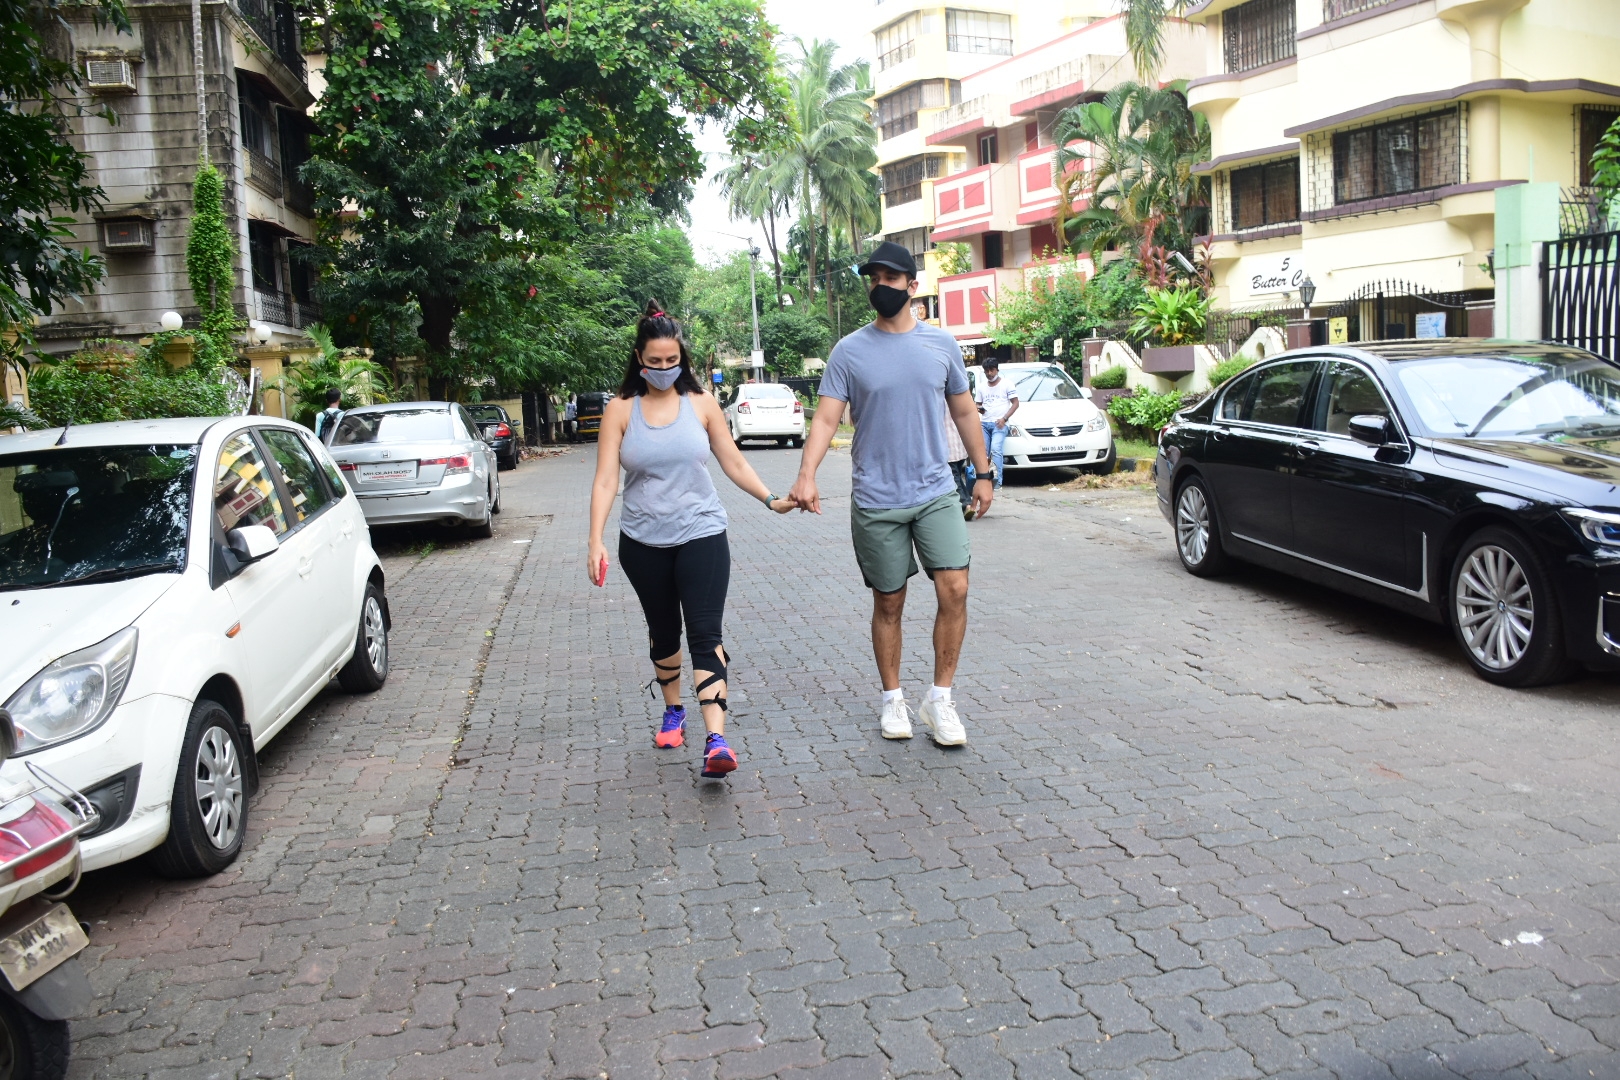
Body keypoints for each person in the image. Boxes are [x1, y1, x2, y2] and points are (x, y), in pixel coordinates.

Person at [788, 241, 994, 747]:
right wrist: (806, 474)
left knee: (955, 588)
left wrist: (983, 472)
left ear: (912, 285)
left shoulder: (941, 344)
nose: (881, 286)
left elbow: (964, 411)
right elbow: (826, 419)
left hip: (935, 489)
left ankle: (940, 699)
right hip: (876, 497)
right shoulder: (849, 351)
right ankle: (893, 698)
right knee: (889, 601)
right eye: (874, 278)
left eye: (891, 278)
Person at [588, 301, 797, 779]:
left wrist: (771, 499)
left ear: (681, 356)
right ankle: (673, 710)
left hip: (702, 533)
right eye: (654, 361)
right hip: (642, 542)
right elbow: (605, 480)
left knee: (705, 634)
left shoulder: (701, 404)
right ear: (639, 359)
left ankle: (716, 740)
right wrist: (594, 540)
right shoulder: (620, 410)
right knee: (664, 632)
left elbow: (733, 460)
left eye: (671, 359)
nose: (664, 368)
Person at [975, 358, 1019, 491]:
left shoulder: (1007, 384)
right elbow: (978, 404)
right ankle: (983, 480)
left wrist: (1004, 419)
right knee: (983, 452)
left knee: (995, 449)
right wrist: (979, 408)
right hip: (985, 423)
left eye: (992, 370)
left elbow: (1015, 403)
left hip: (1000, 424)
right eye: (987, 371)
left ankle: (997, 482)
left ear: (997, 370)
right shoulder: (982, 387)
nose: (989, 373)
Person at [944, 406, 974, 522]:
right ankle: (968, 502)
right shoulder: (957, 402)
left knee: (955, 477)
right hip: (959, 445)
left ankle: (965, 505)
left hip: (949, 446)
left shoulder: (941, 402)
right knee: (958, 477)